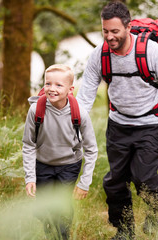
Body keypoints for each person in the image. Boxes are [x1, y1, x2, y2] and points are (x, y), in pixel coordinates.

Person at [76, 1, 158, 239]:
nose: (110, 37)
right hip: (118, 125)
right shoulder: (100, 54)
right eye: (105, 31)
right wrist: (74, 125)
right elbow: (84, 96)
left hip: (152, 125)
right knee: (115, 182)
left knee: (143, 177)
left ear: (127, 27)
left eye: (115, 31)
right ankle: (125, 230)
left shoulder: (151, 52)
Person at [22, 64, 98, 239]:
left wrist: (84, 182)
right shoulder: (35, 110)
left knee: (62, 206)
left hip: (69, 165)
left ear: (70, 89)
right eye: (48, 84)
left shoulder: (80, 113)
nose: (52, 89)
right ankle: (49, 229)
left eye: (58, 85)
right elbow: (28, 144)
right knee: (44, 208)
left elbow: (91, 149)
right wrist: (30, 177)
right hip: (43, 164)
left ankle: (62, 235)